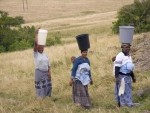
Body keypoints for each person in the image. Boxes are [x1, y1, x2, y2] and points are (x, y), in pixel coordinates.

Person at [114, 43, 137, 107]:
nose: (127, 48)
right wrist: (116, 77)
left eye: (128, 47)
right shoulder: (120, 56)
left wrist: (133, 77)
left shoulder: (129, 55)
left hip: (128, 76)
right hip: (122, 76)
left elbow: (130, 67)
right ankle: (124, 104)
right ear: (122, 47)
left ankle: (129, 103)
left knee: (128, 90)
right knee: (122, 90)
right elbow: (117, 67)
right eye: (125, 47)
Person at [33, 29, 52, 99]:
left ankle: (47, 97)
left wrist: (49, 73)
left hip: (46, 72)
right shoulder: (36, 54)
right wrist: (36, 34)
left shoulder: (45, 55)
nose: (41, 48)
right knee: (40, 86)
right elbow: (35, 44)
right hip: (39, 72)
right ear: (38, 48)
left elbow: (49, 65)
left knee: (48, 85)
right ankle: (40, 98)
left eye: (42, 47)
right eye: (40, 47)